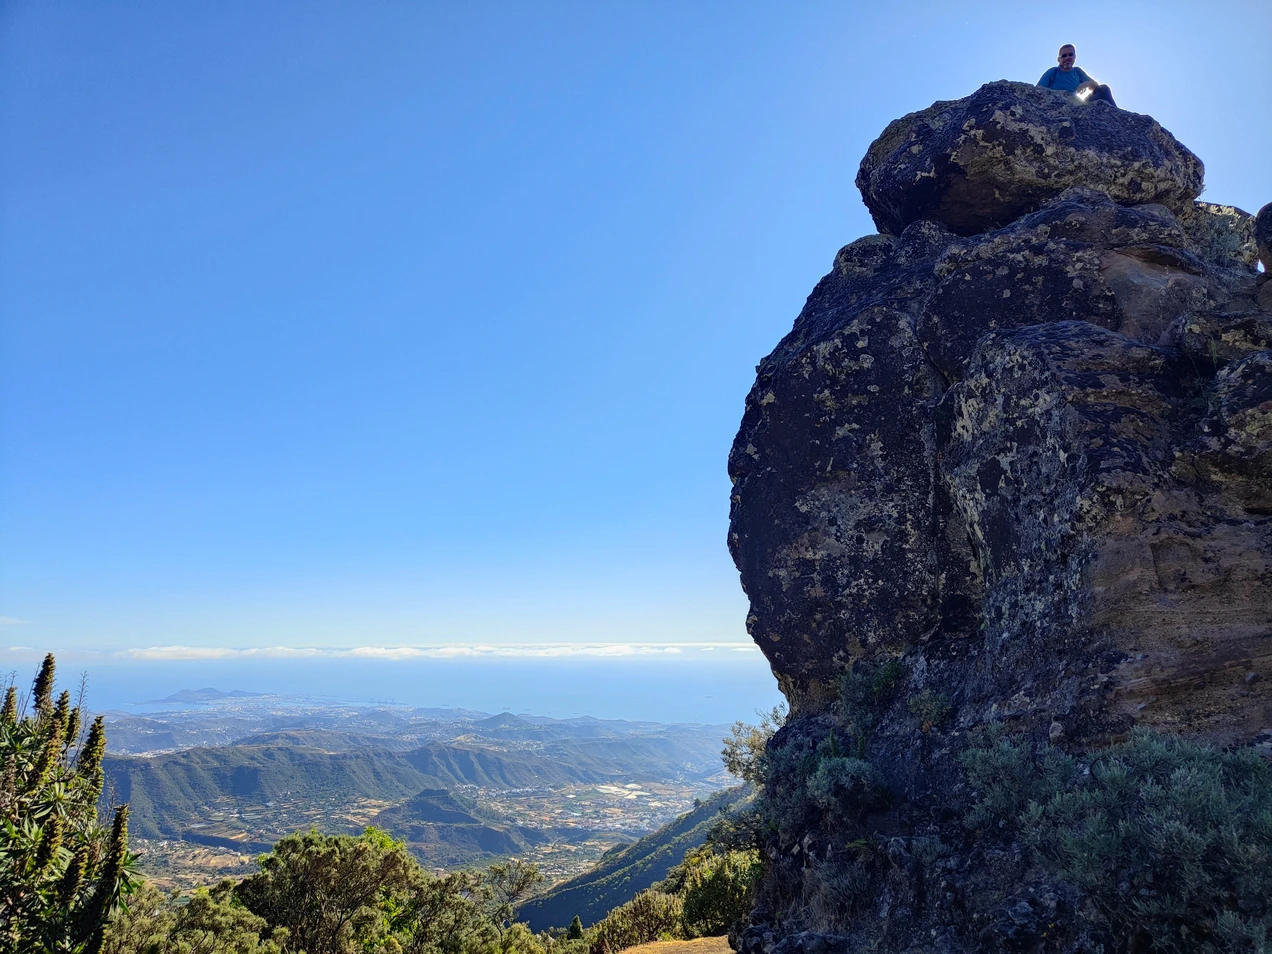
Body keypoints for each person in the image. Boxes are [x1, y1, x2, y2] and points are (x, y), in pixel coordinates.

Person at [1037, 44, 1117, 107]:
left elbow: (1096, 86)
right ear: (1059, 60)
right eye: (1064, 56)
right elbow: (1038, 90)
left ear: (1075, 57)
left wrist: (1086, 84)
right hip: (1056, 102)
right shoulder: (1053, 71)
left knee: (1103, 89)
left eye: (1070, 54)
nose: (1067, 58)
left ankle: (1117, 116)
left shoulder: (1077, 71)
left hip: (1075, 103)